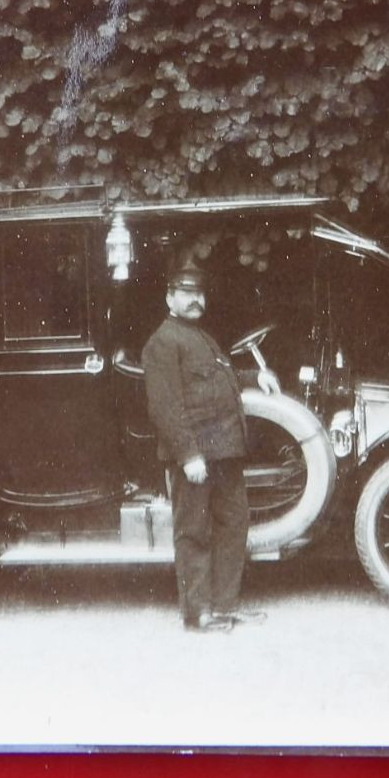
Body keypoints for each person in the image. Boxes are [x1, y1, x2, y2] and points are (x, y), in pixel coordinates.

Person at [140, 263, 272, 634]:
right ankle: (198, 614)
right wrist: (189, 455)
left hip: (225, 454)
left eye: (200, 293)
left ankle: (223, 606)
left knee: (234, 525)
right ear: (170, 297)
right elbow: (164, 407)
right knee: (194, 532)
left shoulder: (200, 336)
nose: (196, 300)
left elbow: (220, 381)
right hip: (198, 457)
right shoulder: (163, 342)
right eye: (187, 293)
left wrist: (254, 376)